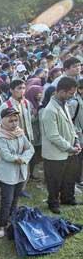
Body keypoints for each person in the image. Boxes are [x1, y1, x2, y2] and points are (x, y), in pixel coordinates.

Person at [40, 77, 81, 214]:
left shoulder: (65, 104)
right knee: (54, 180)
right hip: (55, 153)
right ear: (62, 92)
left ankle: (67, 198)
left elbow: (70, 125)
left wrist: (76, 140)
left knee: (69, 177)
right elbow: (53, 136)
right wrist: (70, 147)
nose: (72, 96)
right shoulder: (50, 110)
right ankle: (53, 202)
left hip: (69, 150)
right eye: (70, 93)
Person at [0, 107, 35, 237]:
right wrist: (19, 158)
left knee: (16, 198)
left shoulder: (20, 133)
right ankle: (2, 225)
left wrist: (23, 159)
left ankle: (12, 220)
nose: (14, 124)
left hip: (20, 171)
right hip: (8, 173)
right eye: (11, 121)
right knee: (7, 200)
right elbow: (6, 155)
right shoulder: (1, 137)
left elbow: (30, 148)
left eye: (16, 120)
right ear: (4, 121)